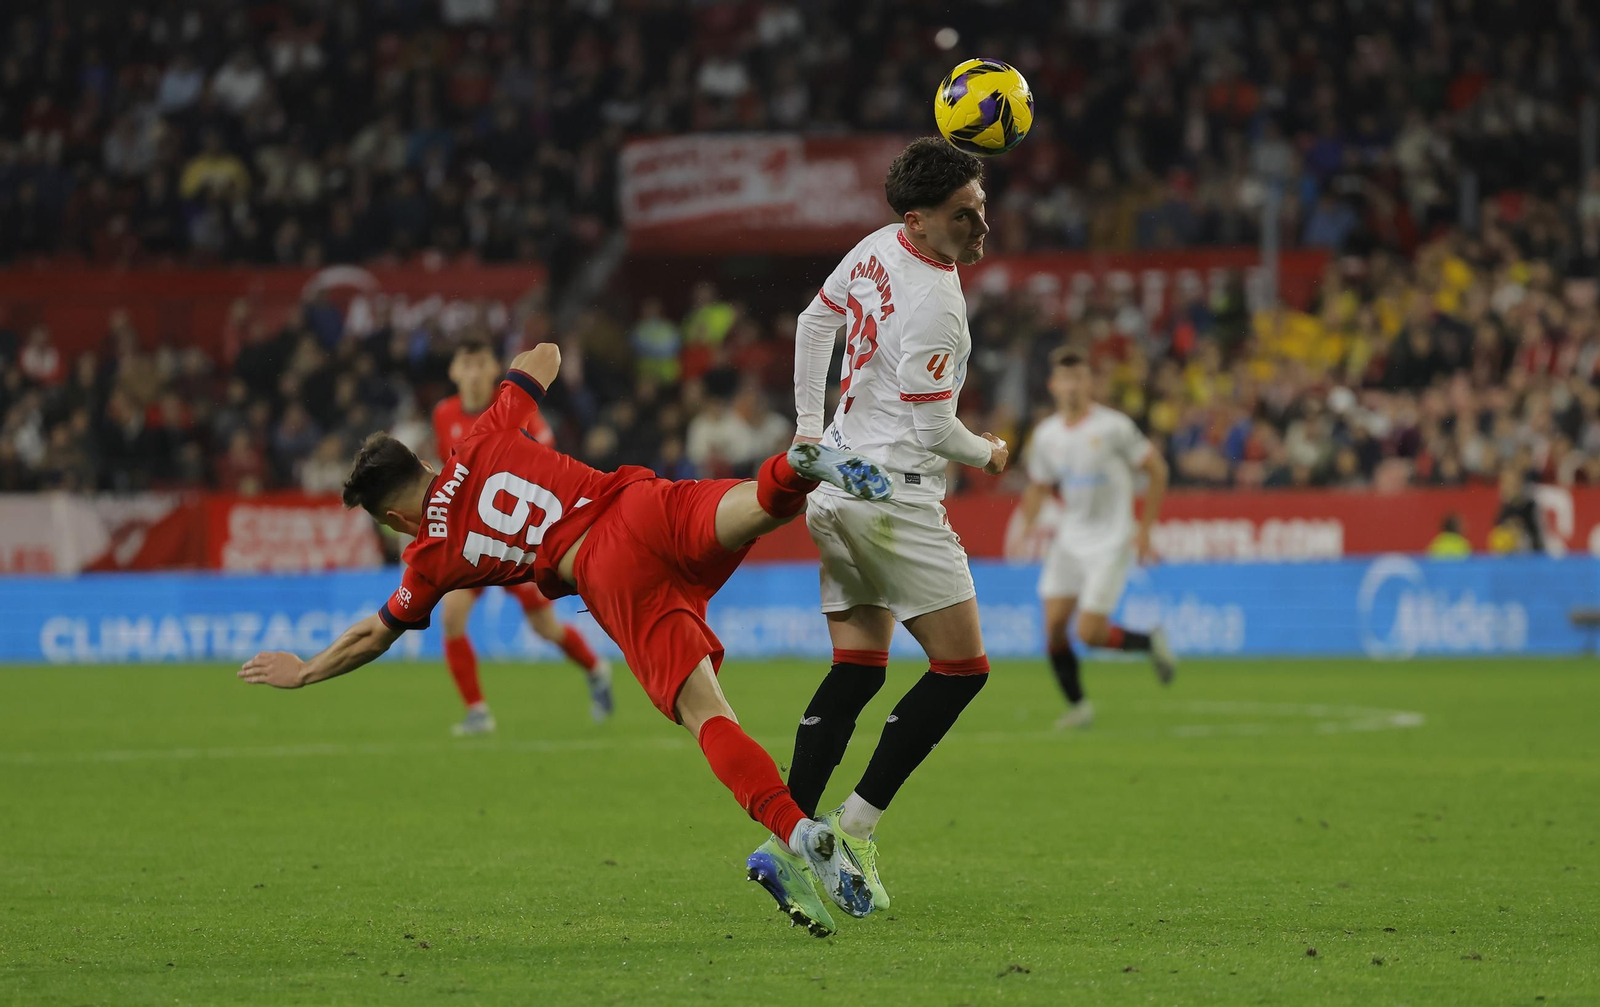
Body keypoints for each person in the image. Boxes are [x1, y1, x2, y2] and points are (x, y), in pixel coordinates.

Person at [238, 344, 890, 935]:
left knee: (706, 713)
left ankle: (795, 830)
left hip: (607, 571)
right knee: (757, 504)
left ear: (394, 518)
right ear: (427, 461)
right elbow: (545, 354)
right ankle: (796, 467)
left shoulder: (431, 554)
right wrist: (515, 381)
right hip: (641, 503)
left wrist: (308, 670)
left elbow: (374, 634)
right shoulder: (482, 435)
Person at [772, 137, 1010, 922]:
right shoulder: (938, 303)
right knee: (962, 669)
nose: (981, 226)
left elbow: (814, 320)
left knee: (858, 668)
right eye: (963, 215)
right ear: (919, 220)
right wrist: (991, 452)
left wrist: (810, 431)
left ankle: (785, 841)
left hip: (835, 484)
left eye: (981, 206)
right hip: (893, 499)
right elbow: (936, 429)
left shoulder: (877, 247)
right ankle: (855, 825)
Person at [431, 338, 611, 735]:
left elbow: (545, 468)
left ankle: (596, 669)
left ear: (493, 369)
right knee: (452, 617)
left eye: (481, 364)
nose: (474, 373)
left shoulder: (515, 410)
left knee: (544, 628)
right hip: (473, 539)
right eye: (467, 364)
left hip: (517, 539)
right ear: (454, 371)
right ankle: (478, 712)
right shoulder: (443, 414)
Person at [1017, 348, 1176, 730]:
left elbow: (1157, 470)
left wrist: (1145, 530)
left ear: (1090, 383)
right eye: (1066, 379)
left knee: (1089, 633)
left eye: (1079, 378)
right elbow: (1039, 485)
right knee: (1054, 627)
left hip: (1111, 540)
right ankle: (1079, 707)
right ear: (1054, 386)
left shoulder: (1114, 427)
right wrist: (1026, 527)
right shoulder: (1046, 435)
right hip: (1069, 539)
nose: (1072, 386)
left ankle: (1148, 642)